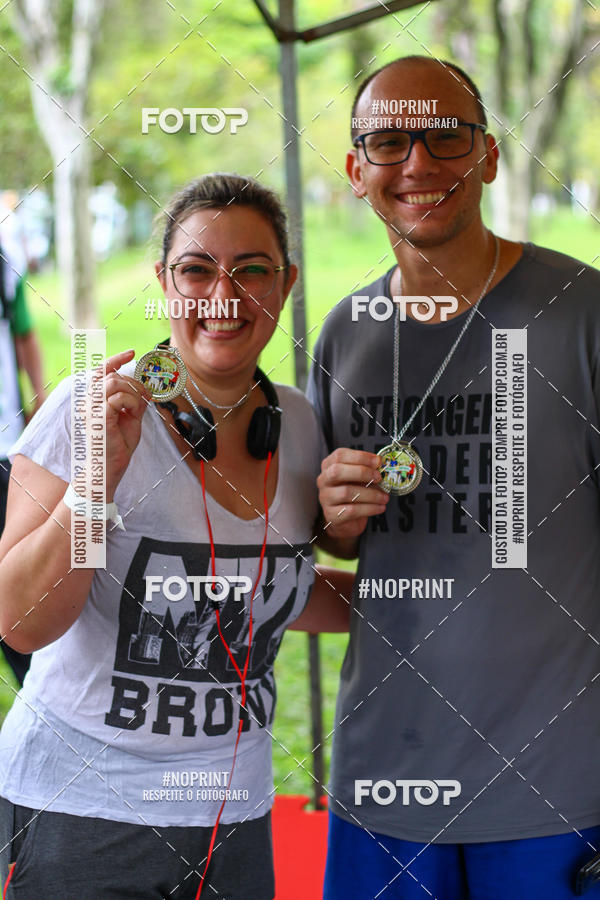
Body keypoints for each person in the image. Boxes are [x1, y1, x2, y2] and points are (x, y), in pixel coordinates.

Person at [0, 173, 350, 899]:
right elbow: (21, 622)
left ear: (284, 287)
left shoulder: (300, 425)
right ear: (164, 282)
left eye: (252, 270)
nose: (223, 296)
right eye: (196, 270)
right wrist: (99, 479)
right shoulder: (88, 408)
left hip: (236, 814)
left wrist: (438, 598)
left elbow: (264, 594)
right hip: (82, 812)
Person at [308, 56, 600, 899]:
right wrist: (337, 517)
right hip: (384, 785)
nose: (419, 164)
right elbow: (337, 541)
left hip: (557, 789)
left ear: (490, 155)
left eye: (446, 137)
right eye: (389, 141)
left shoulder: (577, 312)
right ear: (358, 169)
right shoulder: (347, 332)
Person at [0, 192, 46, 686]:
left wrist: (39, 398)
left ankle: (37, 695)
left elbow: (23, 330)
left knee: (15, 601)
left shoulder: (4, 255)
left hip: (5, 444)